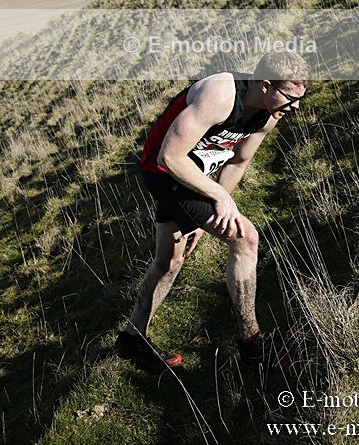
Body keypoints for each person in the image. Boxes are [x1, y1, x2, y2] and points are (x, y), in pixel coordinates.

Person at [115, 50, 309, 370]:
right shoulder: (220, 95)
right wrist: (218, 197)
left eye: (301, 97)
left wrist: (213, 216)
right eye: (290, 96)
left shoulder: (269, 114)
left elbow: (238, 160)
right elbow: (169, 158)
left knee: (171, 260)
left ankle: (132, 339)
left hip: (194, 176)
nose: (296, 106)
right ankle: (254, 348)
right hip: (165, 171)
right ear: (264, 85)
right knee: (246, 239)